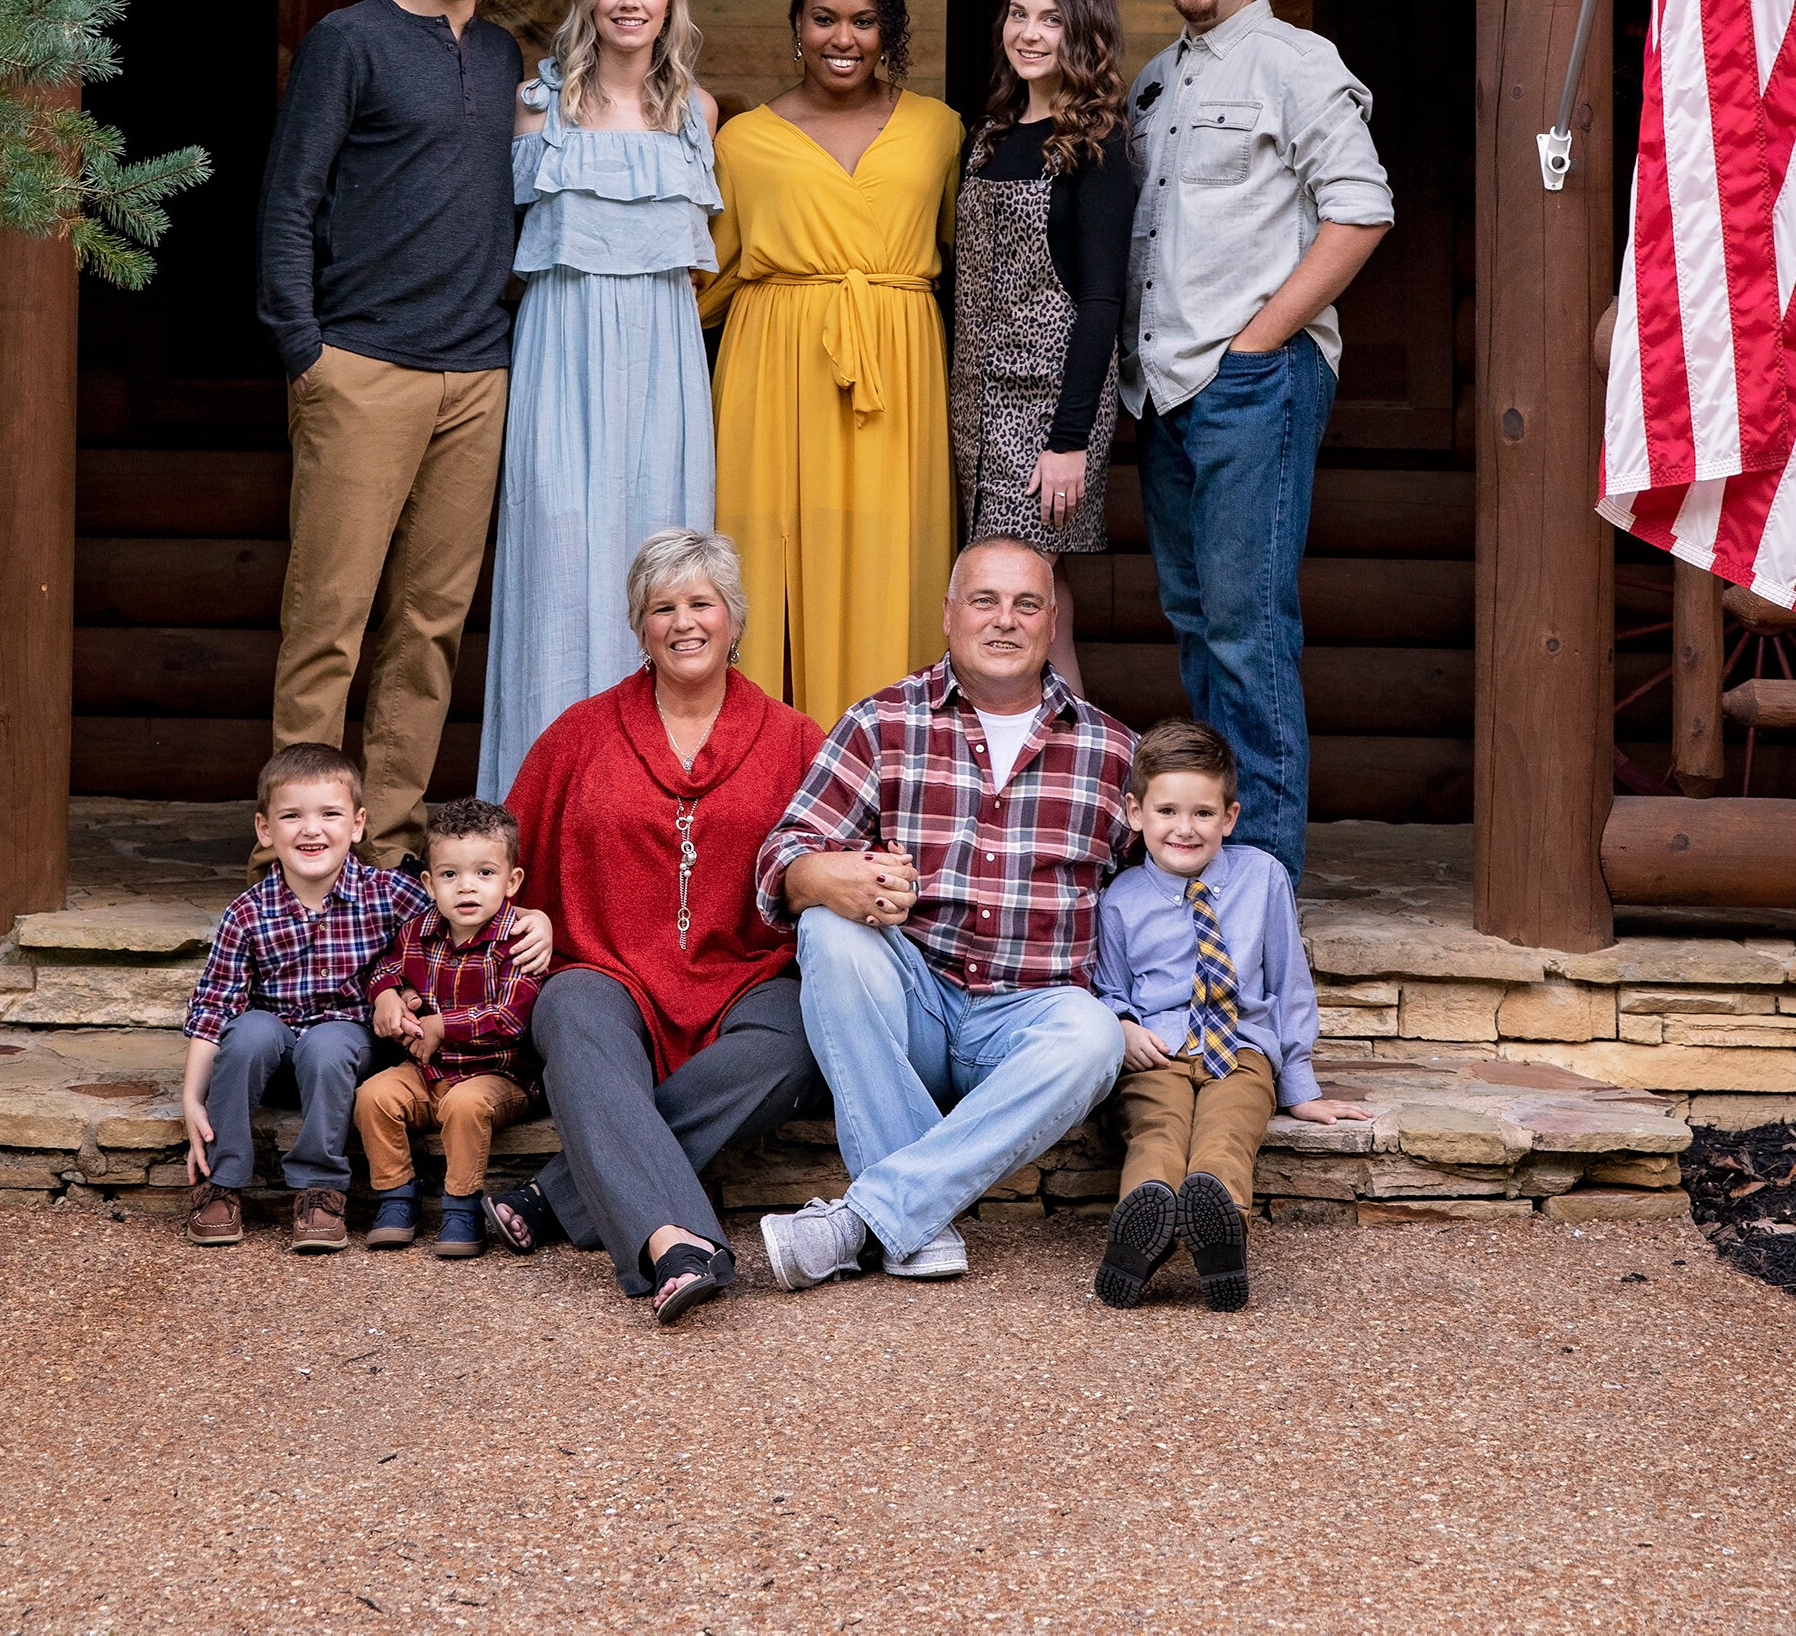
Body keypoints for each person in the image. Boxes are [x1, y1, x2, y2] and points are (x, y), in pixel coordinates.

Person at [754, 535, 1132, 1291]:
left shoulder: (1111, 750)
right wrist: (829, 874)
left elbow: (1159, 897)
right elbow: (780, 857)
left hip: (1027, 1017)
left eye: (1027, 603)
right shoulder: (881, 721)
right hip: (913, 1001)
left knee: (1093, 1036)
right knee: (830, 925)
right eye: (984, 600)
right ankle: (911, 1214)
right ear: (949, 614)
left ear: (1052, 620)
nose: (1005, 620)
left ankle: (871, 1220)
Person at [256, 0, 522, 873]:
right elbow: (290, 200)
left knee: (428, 628)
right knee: (329, 620)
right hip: (360, 363)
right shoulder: (349, 40)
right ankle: (290, 859)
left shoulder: (501, 57)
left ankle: (388, 852)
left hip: (476, 372)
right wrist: (303, 350)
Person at [1124, 0, 1393, 885]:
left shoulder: (1293, 62)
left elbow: (1360, 208)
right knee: (1199, 626)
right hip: (1163, 391)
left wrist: (1258, 340)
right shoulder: (1156, 80)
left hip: (1248, 381)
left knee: (1246, 629)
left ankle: (1265, 880)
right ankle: (1209, 854)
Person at [492, 531, 826, 1326]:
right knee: (569, 1014)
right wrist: (525, 912)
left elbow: (834, 853)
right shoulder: (579, 732)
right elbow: (503, 856)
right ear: (640, 626)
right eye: (662, 606)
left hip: (748, 972)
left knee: (801, 1039)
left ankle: (558, 1192)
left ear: (734, 618)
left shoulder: (795, 737)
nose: (684, 621)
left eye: (701, 602)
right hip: (606, 971)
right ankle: (677, 1242)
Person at [478, 0, 722, 799]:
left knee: (662, 548)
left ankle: (653, 798)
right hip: (562, 344)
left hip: (662, 351)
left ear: (670, 2)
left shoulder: (698, 115)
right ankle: (547, 798)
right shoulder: (536, 106)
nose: (630, 1)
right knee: (556, 551)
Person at [702, 0, 961, 723]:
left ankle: (890, 761)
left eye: (863, 20)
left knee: (893, 561)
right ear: (796, 25)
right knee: (767, 557)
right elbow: (700, 277)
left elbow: (972, 264)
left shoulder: (939, 131)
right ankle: (766, 767)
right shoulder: (742, 141)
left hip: (897, 367)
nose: (841, 38)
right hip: (773, 369)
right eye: (824, 18)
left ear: (889, 32)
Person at [178, 743, 551, 1255]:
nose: (312, 830)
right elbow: (212, 1010)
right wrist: (191, 1098)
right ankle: (222, 1182)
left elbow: (466, 905)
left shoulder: (391, 893)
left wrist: (536, 919)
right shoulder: (247, 913)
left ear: (357, 824)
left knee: (328, 1043)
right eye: (292, 816)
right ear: (266, 830)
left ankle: (320, 1189)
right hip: (273, 1057)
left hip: (341, 1058)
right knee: (248, 1031)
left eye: (329, 814)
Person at [1091, 718, 1368, 1314]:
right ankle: (1141, 1226)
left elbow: (1288, 981)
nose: (1184, 829)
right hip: (1156, 1052)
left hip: (1240, 1048)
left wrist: (1299, 1084)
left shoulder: (1262, 878)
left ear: (1230, 817)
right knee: (1156, 1127)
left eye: (1202, 814)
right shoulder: (1119, 900)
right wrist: (1122, 1028)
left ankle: (1221, 1230)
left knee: (1228, 1130)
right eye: (1167, 811)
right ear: (1136, 813)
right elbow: (1109, 987)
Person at [952, 0, 1137, 697]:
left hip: (1046, 411)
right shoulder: (990, 134)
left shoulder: (1097, 141)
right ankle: (1063, 777)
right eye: (1019, 13)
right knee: (1037, 600)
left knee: (1018, 597)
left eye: (1051, 19)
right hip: (974, 403)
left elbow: (1101, 301)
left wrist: (1068, 441)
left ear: (1083, 31)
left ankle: (1064, 777)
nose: (1028, 32)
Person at [356, 798, 542, 1257]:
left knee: (463, 1105)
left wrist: (444, 1025)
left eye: (484, 873)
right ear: (428, 882)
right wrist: (386, 996)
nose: (467, 888)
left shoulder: (518, 939)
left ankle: (461, 1206)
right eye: (450, 875)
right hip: (427, 1070)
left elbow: (511, 1018)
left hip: (498, 1076)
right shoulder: (417, 931)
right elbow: (385, 968)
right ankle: (398, 1197)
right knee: (373, 1096)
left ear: (511, 881)